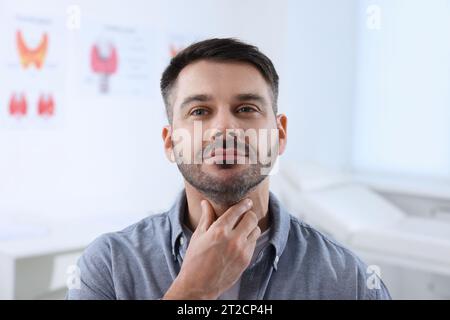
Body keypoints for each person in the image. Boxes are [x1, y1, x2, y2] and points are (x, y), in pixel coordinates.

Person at [67, 38, 391, 300]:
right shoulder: (108, 267)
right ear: (169, 143)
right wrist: (192, 290)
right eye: (199, 111)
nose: (224, 127)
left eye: (246, 108)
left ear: (279, 135)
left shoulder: (352, 282)